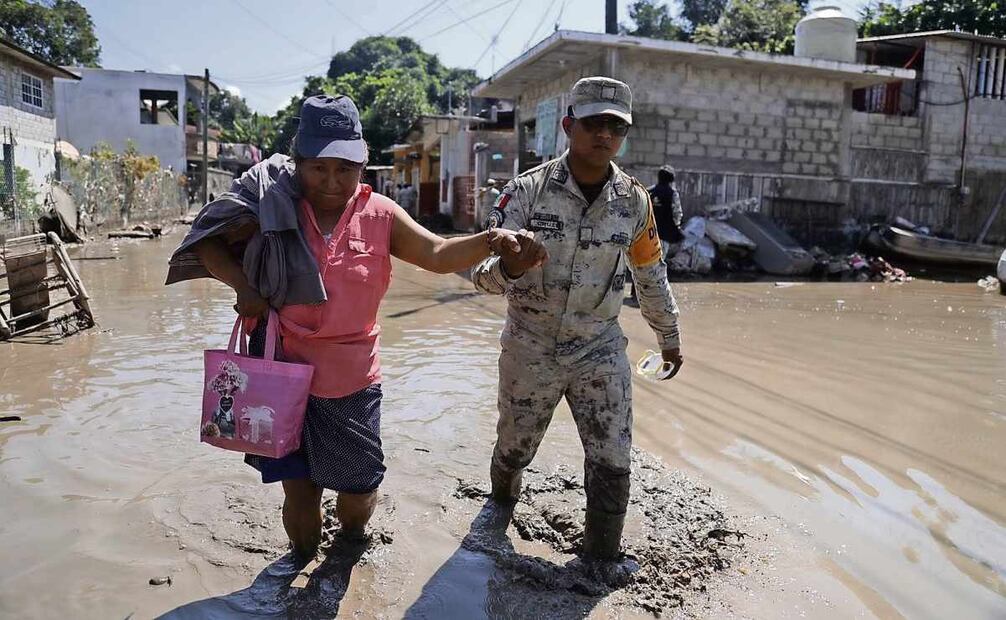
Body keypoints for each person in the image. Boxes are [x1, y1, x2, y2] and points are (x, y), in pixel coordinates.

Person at [166, 95, 536, 560]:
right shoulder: (269, 202)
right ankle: (297, 568)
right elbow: (206, 245)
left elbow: (439, 256)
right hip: (278, 368)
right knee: (299, 492)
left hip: (351, 379)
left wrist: (491, 241)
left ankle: (350, 547)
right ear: (299, 162)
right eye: (318, 167)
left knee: (360, 487)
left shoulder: (379, 213)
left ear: (362, 163)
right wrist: (244, 287)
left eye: (345, 168)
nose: (331, 181)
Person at [472, 77, 684, 562]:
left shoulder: (635, 202)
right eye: (593, 124)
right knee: (513, 448)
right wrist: (510, 265)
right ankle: (501, 503)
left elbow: (650, 274)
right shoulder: (525, 194)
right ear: (569, 126)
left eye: (616, 127)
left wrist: (668, 335)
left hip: (599, 348)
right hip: (531, 344)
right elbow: (480, 276)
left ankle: (600, 560)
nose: (604, 135)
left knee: (613, 456)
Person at [628, 164, 684, 302]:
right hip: (662, 235)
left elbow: (637, 211)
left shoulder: (648, 191)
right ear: (671, 179)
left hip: (643, 233)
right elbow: (677, 214)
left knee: (639, 262)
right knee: (657, 264)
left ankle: (635, 292)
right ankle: (652, 295)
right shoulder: (672, 193)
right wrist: (676, 228)